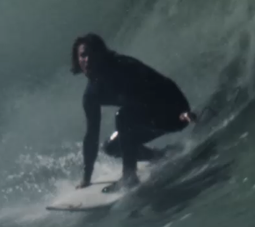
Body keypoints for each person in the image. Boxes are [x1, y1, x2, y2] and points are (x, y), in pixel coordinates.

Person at [71, 32, 195, 191]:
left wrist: (183, 112)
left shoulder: (124, 66)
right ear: (78, 60)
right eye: (83, 56)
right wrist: (86, 178)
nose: (87, 59)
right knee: (111, 147)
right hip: (150, 120)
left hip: (173, 113)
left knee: (123, 117)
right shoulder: (91, 95)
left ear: (101, 54)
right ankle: (160, 156)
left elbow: (164, 84)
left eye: (92, 53)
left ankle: (129, 176)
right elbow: (91, 135)